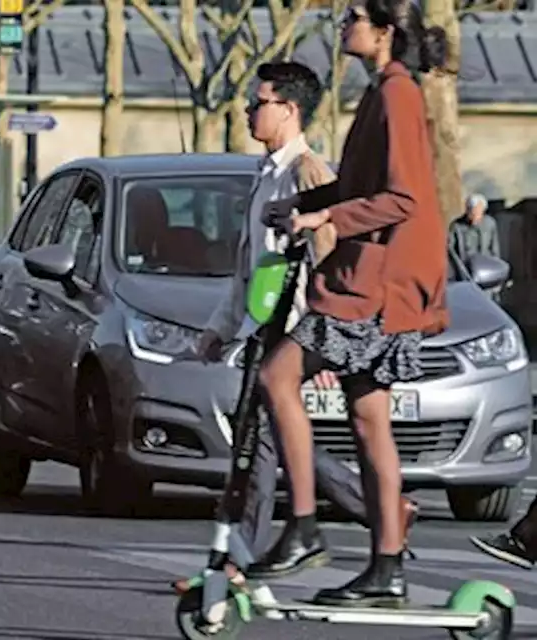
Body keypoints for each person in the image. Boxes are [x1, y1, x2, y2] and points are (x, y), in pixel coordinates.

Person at [174, 61, 418, 594]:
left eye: (257, 103)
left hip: (298, 329)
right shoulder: (265, 174)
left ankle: (240, 560)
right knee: (264, 441)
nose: (247, 112)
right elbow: (251, 265)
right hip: (267, 327)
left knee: (261, 443)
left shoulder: (309, 173)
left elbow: (329, 257)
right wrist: (222, 327)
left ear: (288, 109)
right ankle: (379, 515)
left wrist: (319, 337)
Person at [243, 0, 450, 609]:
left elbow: (404, 199)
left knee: (276, 376)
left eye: (354, 15)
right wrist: (313, 204)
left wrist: (324, 214)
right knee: (368, 420)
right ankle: (387, 567)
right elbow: (366, 187)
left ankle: (305, 526)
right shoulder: (386, 90)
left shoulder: (397, 94)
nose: (342, 23)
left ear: (384, 31)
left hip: (378, 283)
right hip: (383, 277)